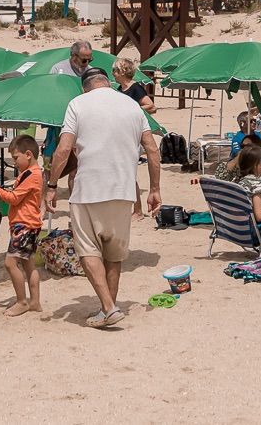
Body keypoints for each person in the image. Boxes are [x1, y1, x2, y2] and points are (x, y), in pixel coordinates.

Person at [45, 66, 162, 329]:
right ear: (107, 82)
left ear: (85, 86)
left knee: (88, 250)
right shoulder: (132, 106)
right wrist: (155, 189)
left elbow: (63, 149)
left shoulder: (77, 104)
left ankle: (108, 307)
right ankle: (108, 308)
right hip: (124, 190)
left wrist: (52, 185)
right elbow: (152, 149)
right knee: (113, 253)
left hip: (89, 188)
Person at [0, 134, 44, 317]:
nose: (14, 162)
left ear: (28, 154)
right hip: (29, 224)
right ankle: (35, 302)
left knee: (10, 263)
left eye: (16, 158)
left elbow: (14, 198)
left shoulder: (32, 175)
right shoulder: (32, 173)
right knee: (28, 264)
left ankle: (22, 301)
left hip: (24, 225)